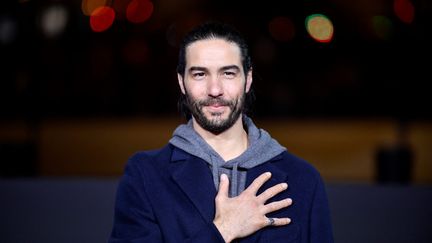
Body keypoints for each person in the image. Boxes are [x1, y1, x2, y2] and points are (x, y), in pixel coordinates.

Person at [109, 22, 334, 243]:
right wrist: (223, 230)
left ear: (248, 79)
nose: (214, 90)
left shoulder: (303, 179)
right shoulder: (147, 176)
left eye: (228, 73)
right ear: (182, 82)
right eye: (200, 74)